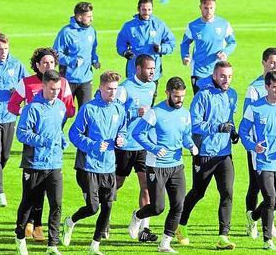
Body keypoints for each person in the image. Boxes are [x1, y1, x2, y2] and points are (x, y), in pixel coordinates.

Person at [7, 47, 75, 242]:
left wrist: (59, 136)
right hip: (33, 156)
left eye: (52, 62)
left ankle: (43, 233)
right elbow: (13, 106)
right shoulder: (27, 84)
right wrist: (27, 117)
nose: (48, 65)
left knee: (54, 199)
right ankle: (27, 228)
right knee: (31, 197)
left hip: (53, 157)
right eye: (45, 62)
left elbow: (68, 109)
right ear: (37, 65)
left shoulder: (62, 86)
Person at [62, 71, 127, 255]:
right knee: (93, 207)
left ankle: (94, 247)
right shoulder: (88, 109)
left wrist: (121, 138)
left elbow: (123, 130)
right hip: (89, 165)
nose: (112, 93)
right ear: (100, 88)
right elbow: (74, 134)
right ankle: (70, 221)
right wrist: (93, 145)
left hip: (109, 166)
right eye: (109, 89)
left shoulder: (119, 109)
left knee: (107, 208)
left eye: (115, 89)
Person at [128, 77, 195, 253]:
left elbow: (186, 135)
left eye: (182, 96)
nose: (180, 100)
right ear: (167, 93)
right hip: (156, 166)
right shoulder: (155, 112)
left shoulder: (185, 113)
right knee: (157, 207)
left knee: (178, 205)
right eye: (176, 96)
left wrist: (191, 145)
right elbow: (137, 133)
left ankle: (165, 243)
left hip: (177, 165)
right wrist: (154, 148)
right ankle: (138, 215)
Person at [178, 61, 238, 250]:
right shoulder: (202, 96)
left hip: (224, 153)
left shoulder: (232, 94)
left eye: (229, 76)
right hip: (204, 152)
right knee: (198, 192)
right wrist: (217, 127)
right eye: (222, 76)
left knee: (227, 193)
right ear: (214, 76)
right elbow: (193, 124)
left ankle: (223, 237)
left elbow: (230, 118)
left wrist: (233, 131)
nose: (226, 80)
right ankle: (180, 224)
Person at [238, 71, 276, 251]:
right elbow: (243, 131)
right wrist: (252, 146)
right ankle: (267, 240)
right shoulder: (255, 108)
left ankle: (253, 216)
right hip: (262, 160)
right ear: (266, 88)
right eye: (274, 87)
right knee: (270, 199)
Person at [14, 70, 67, 255]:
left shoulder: (60, 107)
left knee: (56, 203)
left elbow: (57, 129)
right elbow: (21, 133)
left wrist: (61, 138)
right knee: (28, 204)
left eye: (58, 89)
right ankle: (20, 237)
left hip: (54, 163)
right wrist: (42, 140)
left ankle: (52, 245)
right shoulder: (31, 108)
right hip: (34, 164)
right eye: (52, 89)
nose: (55, 92)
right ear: (43, 86)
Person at [242, 47, 276, 239]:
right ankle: (252, 222)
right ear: (263, 63)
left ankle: (262, 217)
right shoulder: (253, 88)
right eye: (271, 62)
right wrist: (254, 145)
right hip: (258, 147)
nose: (274, 66)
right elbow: (247, 117)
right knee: (255, 186)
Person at [0, 33, 29, 207]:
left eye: (5, 49)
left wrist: (18, 94)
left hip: (10, 115)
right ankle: (1, 193)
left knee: (5, 155)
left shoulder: (16, 64)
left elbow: (28, 84)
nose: (3, 52)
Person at [114, 54, 158, 241]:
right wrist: (134, 112)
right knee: (116, 184)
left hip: (143, 143)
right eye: (149, 69)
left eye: (153, 69)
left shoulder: (153, 86)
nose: (152, 72)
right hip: (125, 145)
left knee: (146, 185)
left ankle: (144, 230)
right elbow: (115, 113)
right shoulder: (125, 88)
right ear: (138, 69)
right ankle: (104, 218)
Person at [116, 0, 175, 100]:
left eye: (149, 9)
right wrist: (125, 53)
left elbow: (171, 43)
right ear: (138, 9)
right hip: (134, 71)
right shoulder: (129, 26)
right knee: (132, 102)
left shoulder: (159, 25)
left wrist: (161, 48)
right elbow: (120, 44)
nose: (146, 12)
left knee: (148, 104)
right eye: (144, 10)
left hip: (153, 73)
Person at [180, 0, 236, 94]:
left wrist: (225, 52)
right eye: (206, 8)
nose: (209, 11)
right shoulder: (193, 26)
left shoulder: (224, 24)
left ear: (215, 7)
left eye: (211, 8)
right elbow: (184, 44)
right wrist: (185, 56)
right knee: (201, 104)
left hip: (219, 72)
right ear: (200, 7)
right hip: (199, 72)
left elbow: (232, 42)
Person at [53, 1, 100, 109]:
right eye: (88, 16)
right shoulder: (66, 32)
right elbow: (55, 54)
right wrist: (72, 61)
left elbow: (92, 49)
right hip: (68, 80)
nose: (91, 19)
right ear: (79, 17)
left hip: (86, 79)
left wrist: (95, 60)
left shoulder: (91, 31)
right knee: (63, 112)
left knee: (86, 113)